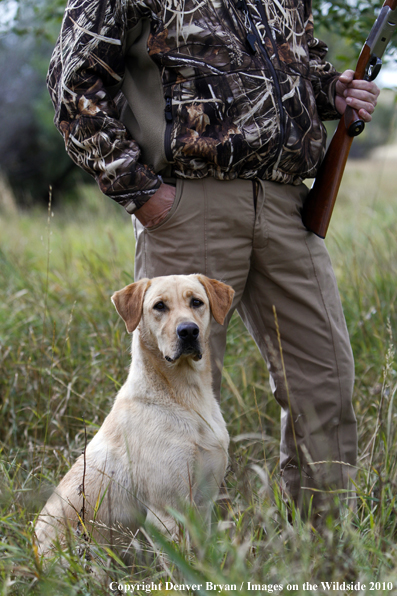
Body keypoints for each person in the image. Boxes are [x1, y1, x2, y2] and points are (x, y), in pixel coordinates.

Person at [47, 0, 379, 515]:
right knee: (175, 396)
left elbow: (298, 68)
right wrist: (142, 193)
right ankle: (187, 565)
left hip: (288, 204)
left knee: (326, 383)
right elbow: (74, 80)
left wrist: (330, 91)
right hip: (187, 203)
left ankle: (325, 556)